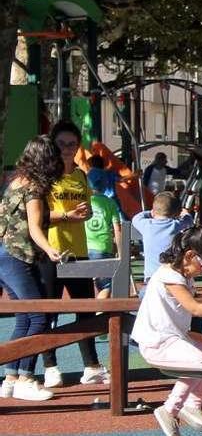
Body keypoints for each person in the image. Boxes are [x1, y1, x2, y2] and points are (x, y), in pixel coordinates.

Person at [131, 226, 202, 436]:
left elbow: (193, 305)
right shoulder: (170, 276)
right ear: (190, 255)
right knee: (199, 360)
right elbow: (193, 307)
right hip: (157, 341)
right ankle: (169, 409)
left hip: (172, 338)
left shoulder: (183, 276)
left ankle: (193, 404)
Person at [40, 120, 110, 388]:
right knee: (49, 312)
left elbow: (87, 209)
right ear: (53, 145)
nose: (67, 149)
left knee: (85, 311)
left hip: (79, 251)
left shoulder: (81, 175)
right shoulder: (46, 176)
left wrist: (86, 213)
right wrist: (66, 215)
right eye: (61, 144)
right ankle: (50, 366)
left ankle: (91, 365)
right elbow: (39, 216)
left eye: (71, 144)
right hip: (51, 251)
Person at [0, 136, 63, 401]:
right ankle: (26, 377)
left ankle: (11, 377)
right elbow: (35, 228)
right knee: (39, 317)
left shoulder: (14, 181)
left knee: (24, 318)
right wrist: (50, 250)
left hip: (3, 254)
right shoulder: (35, 187)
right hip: (18, 256)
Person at [133, 192, 194, 288]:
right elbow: (189, 222)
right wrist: (185, 213)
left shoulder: (147, 225)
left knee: (147, 293)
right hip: (172, 274)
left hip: (152, 276)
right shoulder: (175, 225)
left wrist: (150, 213)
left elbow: (136, 218)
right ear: (176, 213)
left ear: (154, 211)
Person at [85, 170, 122, 299]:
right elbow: (117, 229)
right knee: (106, 286)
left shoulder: (85, 201)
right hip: (103, 247)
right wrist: (120, 251)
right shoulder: (110, 203)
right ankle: (98, 315)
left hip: (84, 247)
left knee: (85, 285)